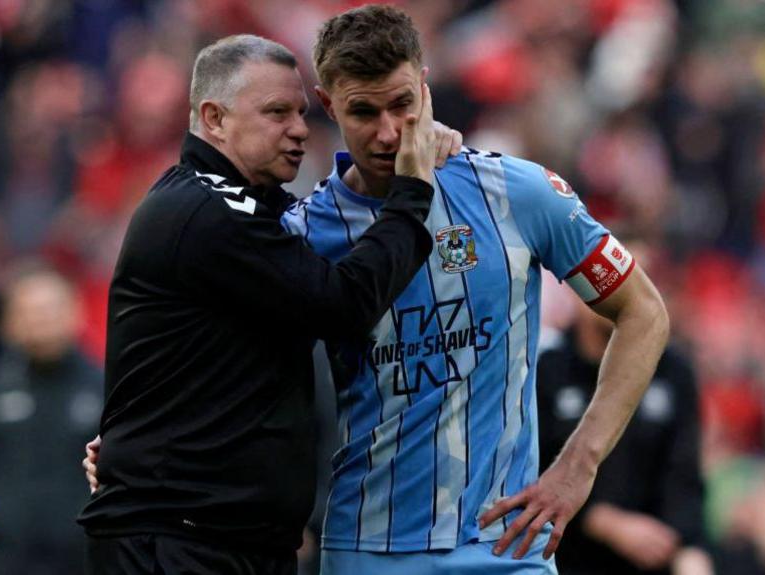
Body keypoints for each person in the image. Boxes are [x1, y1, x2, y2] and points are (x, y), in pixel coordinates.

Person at [85, 7, 668, 573]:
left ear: (426, 87)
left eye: (403, 106)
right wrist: (134, 441)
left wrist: (578, 465)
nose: (389, 133)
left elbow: (641, 312)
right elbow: (211, 355)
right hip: (367, 548)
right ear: (328, 104)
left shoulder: (517, 193)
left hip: (506, 547)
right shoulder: (300, 232)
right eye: (364, 112)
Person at [77, 34, 447, 575]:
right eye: (276, 112)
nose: (299, 128)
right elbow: (343, 305)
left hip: (222, 537)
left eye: (300, 111)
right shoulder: (208, 213)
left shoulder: (252, 211)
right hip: (178, 541)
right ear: (214, 118)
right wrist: (412, 191)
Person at [0, 262, 103, 575]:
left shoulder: (105, 385)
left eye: (50, 309)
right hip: (10, 558)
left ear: (75, 311)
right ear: (11, 321)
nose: (41, 320)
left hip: (84, 557)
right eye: (29, 310)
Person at [537, 293, 713, 574]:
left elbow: (683, 476)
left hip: (654, 556)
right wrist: (601, 520)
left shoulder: (673, 371)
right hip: (566, 556)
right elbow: (532, 475)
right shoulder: (546, 370)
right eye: (610, 283)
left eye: (634, 282)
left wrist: (690, 546)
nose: (625, 295)